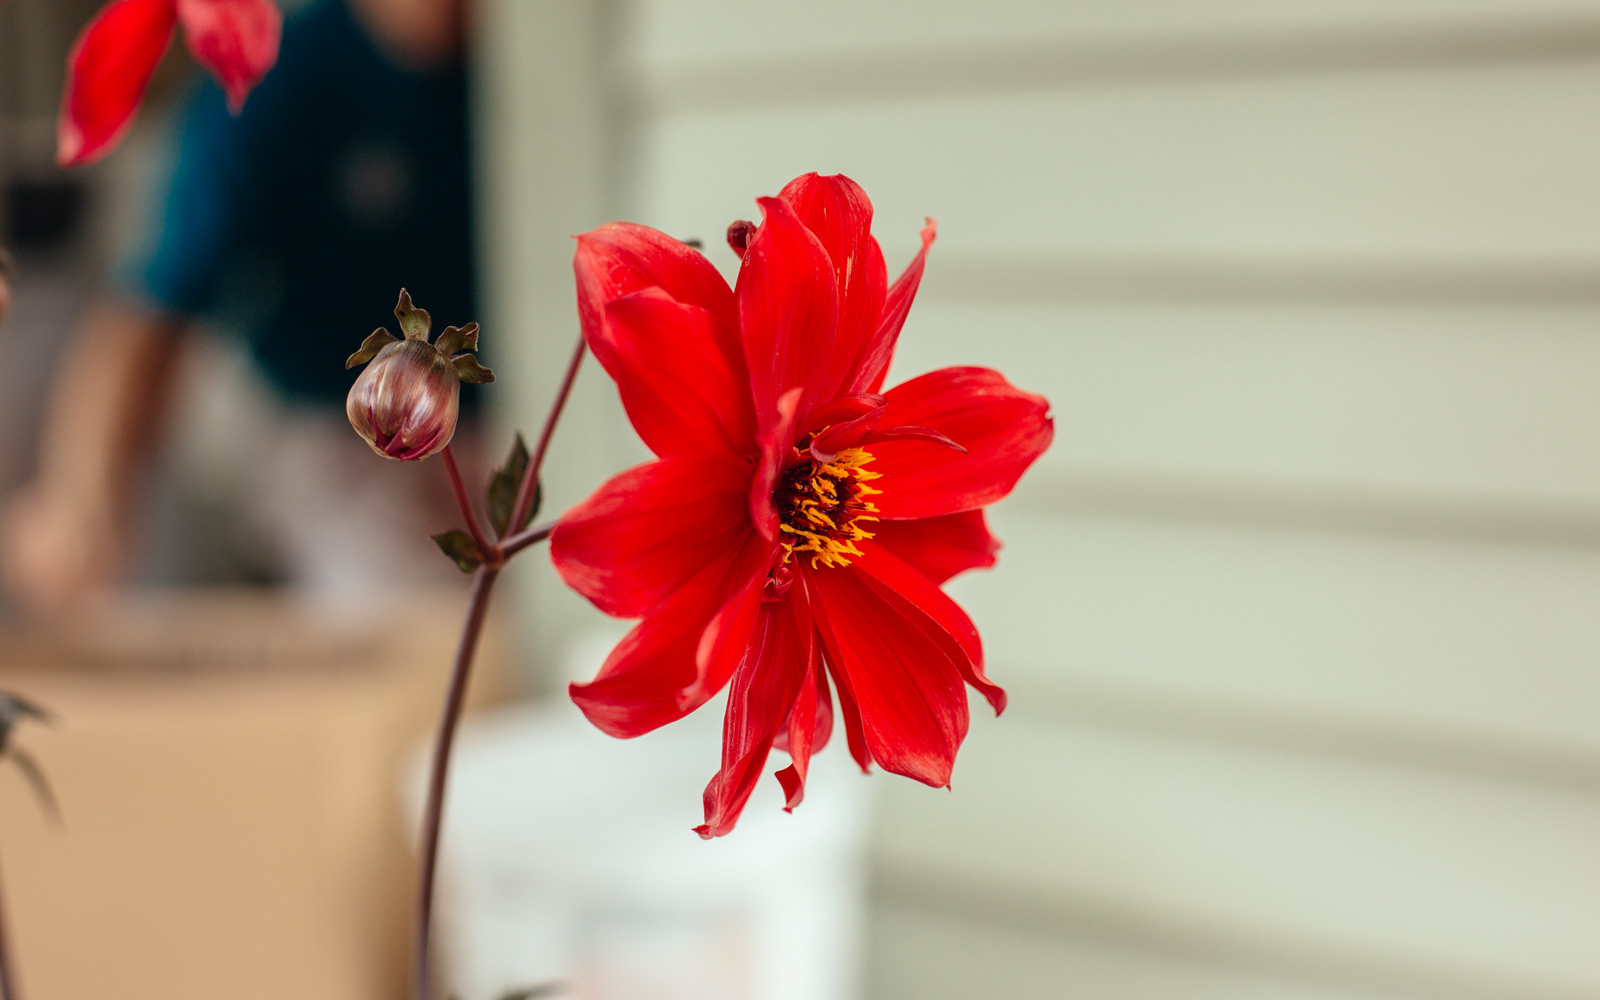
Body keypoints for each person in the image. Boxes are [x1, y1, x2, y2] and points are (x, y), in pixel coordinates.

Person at [2, 0, 480, 611]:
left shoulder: (530, 70)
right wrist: (82, 502)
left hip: (501, 426)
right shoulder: (279, 77)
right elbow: (153, 309)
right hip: (336, 446)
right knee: (418, 605)